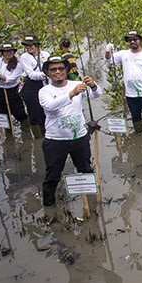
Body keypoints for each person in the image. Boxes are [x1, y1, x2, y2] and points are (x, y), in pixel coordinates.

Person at [38, 55, 103, 206]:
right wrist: (72, 93)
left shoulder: (77, 84)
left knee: (86, 169)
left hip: (79, 138)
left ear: (66, 70)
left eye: (61, 68)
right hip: (55, 140)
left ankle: (92, 204)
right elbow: (50, 106)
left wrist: (93, 85)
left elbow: (96, 95)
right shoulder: (44, 91)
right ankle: (49, 206)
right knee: (52, 175)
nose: (57, 72)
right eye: (53, 69)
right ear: (47, 72)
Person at [105, 30, 142, 135]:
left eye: (135, 39)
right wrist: (108, 50)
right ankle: (139, 134)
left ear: (140, 40)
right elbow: (109, 59)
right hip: (130, 93)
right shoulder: (123, 54)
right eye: (130, 40)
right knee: (135, 115)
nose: (132, 42)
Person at [0, 43, 28, 124]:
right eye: (6, 51)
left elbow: (11, 79)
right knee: (2, 114)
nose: (9, 53)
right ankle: (6, 130)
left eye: (11, 51)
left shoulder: (18, 65)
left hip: (12, 91)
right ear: (2, 53)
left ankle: (25, 128)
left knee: (19, 113)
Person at [19, 34, 49, 138]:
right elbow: (31, 74)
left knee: (46, 111)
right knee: (34, 113)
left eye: (30, 45)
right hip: (31, 86)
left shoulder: (45, 54)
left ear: (36, 45)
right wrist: (47, 74)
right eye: (26, 46)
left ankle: (48, 134)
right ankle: (38, 138)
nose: (28, 47)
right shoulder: (24, 57)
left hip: (44, 85)